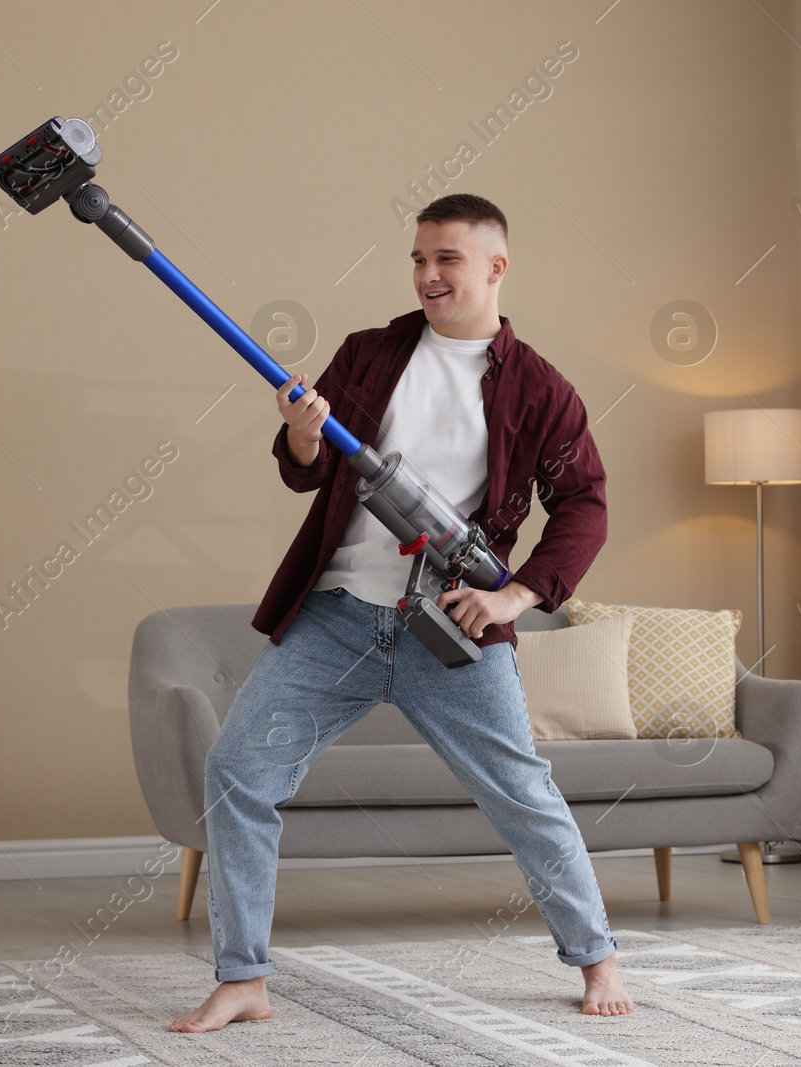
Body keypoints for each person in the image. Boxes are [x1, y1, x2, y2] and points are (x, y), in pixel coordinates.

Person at [169, 193, 632, 1033]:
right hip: (339, 615)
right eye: (418, 259)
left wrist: (514, 595)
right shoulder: (371, 354)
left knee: (523, 796)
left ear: (495, 267)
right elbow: (303, 470)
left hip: (454, 629)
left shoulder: (540, 389)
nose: (427, 274)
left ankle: (596, 955)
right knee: (237, 770)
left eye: (447, 259)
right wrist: (304, 434)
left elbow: (584, 504)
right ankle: (244, 978)